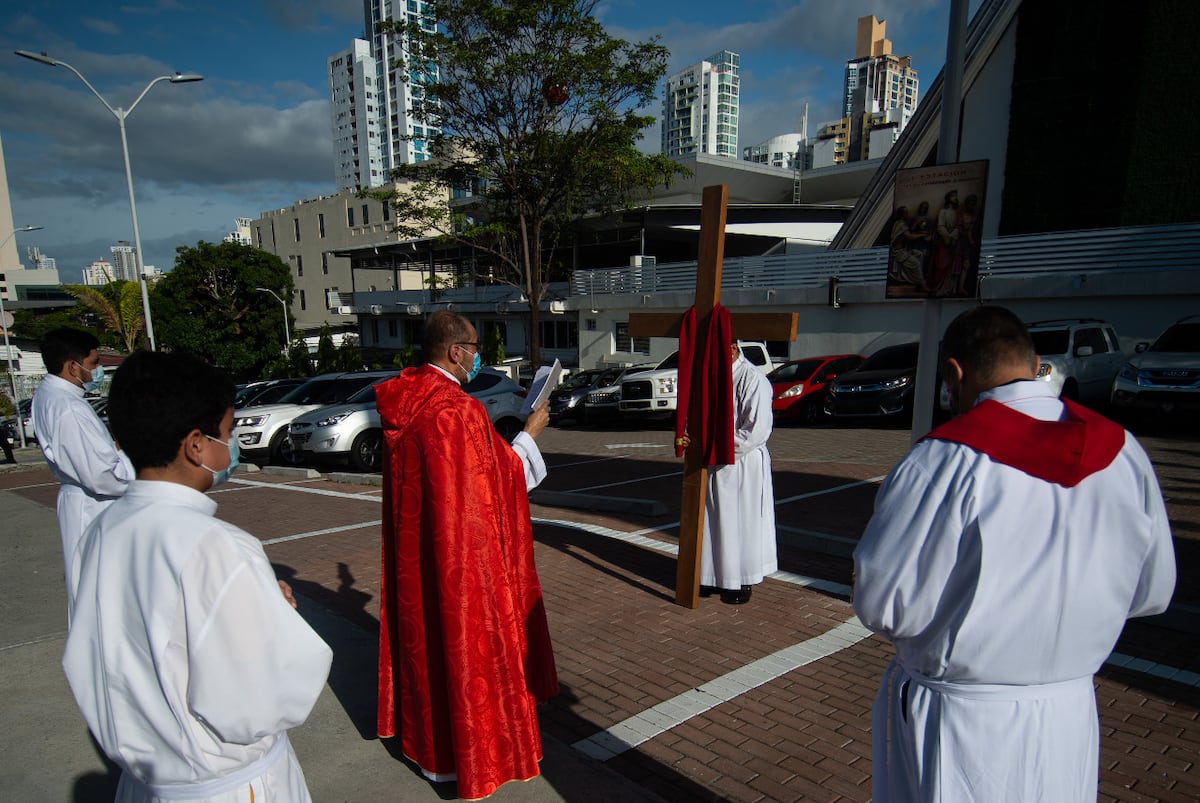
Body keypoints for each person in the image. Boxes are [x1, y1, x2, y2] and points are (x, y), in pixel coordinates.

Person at [853, 306, 1176, 803]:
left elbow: (885, 604)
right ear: (1036, 363)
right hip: (1068, 710)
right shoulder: (1124, 451)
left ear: (954, 372)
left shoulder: (944, 459)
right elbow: (1152, 592)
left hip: (964, 720)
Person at [62, 350, 333, 803]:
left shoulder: (100, 531)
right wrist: (274, 617)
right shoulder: (218, 545)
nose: (231, 447)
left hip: (145, 780)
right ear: (195, 445)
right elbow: (261, 698)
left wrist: (253, 601)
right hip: (227, 782)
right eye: (227, 433)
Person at [376, 310, 558, 800]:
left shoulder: (406, 397)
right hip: (463, 560)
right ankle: (468, 760)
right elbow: (499, 481)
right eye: (475, 347)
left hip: (421, 554)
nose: (479, 355)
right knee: (466, 647)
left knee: (430, 642)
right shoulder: (457, 411)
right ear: (455, 351)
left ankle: (430, 751)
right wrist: (532, 432)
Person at [32, 327, 133, 609]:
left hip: (83, 500)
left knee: (93, 590)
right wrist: (129, 462)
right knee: (103, 593)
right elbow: (101, 476)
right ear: (72, 366)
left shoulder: (49, 395)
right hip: (94, 505)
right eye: (93, 363)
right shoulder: (68, 407)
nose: (98, 370)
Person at [683, 341, 778, 605]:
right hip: (711, 461)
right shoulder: (708, 378)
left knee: (739, 522)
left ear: (733, 347)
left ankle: (739, 580)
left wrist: (715, 446)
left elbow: (756, 430)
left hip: (741, 462)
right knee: (712, 521)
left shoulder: (753, 379)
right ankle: (710, 576)